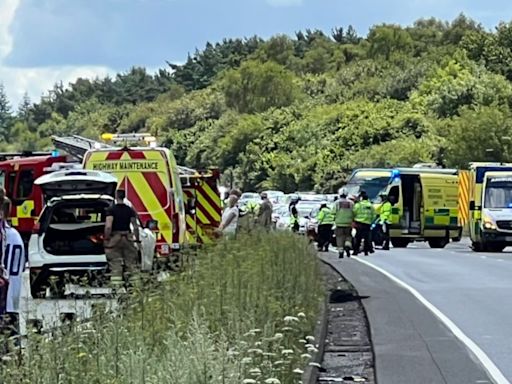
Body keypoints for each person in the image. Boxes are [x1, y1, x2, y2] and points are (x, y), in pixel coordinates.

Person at [104, 189, 141, 289]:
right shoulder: (130, 210)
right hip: (128, 238)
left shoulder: (111, 210)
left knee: (116, 264)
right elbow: (136, 226)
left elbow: (108, 226)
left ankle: (116, 288)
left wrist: (106, 239)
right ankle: (135, 287)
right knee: (131, 264)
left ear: (116, 196)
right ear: (124, 197)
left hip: (115, 239)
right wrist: (137, 240)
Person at [353, 191, 375, 256]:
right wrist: (370, 221)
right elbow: (373, 215)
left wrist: (354, 220)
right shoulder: (371, 205)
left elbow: (354, 212)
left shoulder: (358, 205)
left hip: (359, 223)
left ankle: (356, 251)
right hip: (367, 224)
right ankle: (366, 251)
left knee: (358, 238)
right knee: (366, 238)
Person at [333, 188, 354, 259]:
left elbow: (333, 212)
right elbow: (354, 212)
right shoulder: (351, 203)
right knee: (348, 236)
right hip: (348, 223)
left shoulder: (336, 203)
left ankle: (341, 251)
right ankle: (347, 245)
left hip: (339, 223)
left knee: (339, 237)